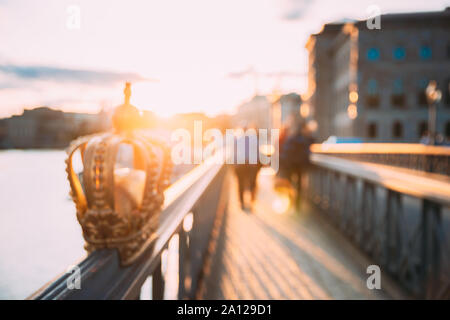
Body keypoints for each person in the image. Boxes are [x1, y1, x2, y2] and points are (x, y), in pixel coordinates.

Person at [278, 121, 314, 211]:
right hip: (299, 166)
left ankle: (291, 203)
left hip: (290, 166)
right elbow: (307, 152)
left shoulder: (291, 139)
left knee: (290, 184)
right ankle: (297, 205)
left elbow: (286, 152)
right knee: (299, 186)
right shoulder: (305, 140)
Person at [234, 127, 261, 212]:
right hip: (249, 164)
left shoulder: (238, 139)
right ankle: (251, 202)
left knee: (241, 184)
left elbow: (234, 152)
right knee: (251, 183)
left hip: (243, 164)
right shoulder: (253, 139)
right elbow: (257, 151)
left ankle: (243, 202)